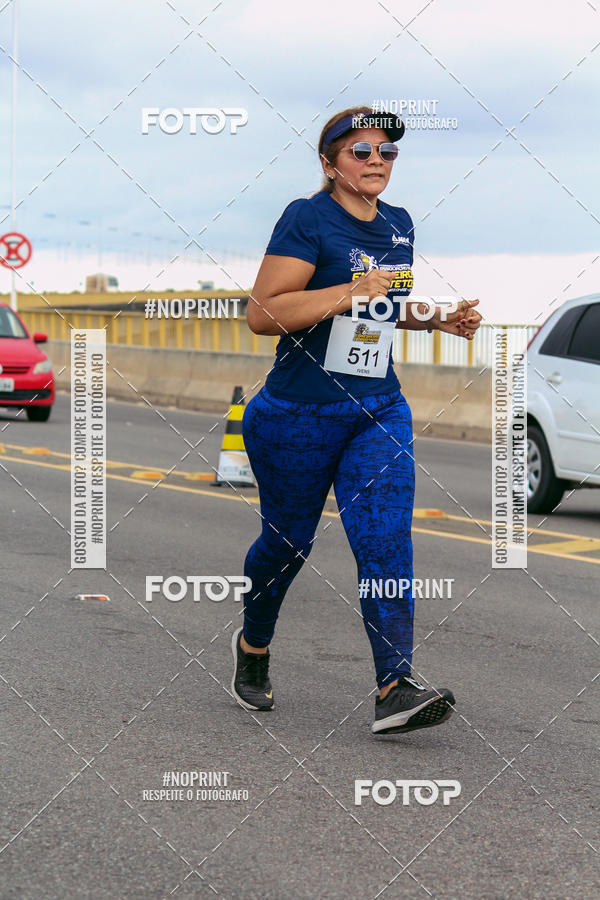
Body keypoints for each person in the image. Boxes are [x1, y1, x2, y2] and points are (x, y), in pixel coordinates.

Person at [230, 105, 481, 735]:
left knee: (386, 540)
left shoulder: (399, 223)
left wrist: (435, 318)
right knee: (287, 546)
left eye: (387, 153)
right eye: (360, 151)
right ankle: (253, 645)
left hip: (378, 409)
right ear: (329, 162)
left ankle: (395, 685)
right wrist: (347, 290)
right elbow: (263, 314)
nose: (376, 162)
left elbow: (379, 311)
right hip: (296, 413)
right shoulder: (307, 217)